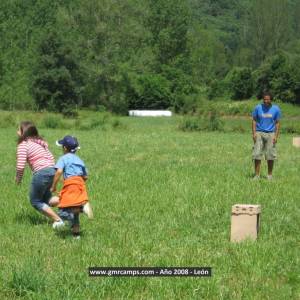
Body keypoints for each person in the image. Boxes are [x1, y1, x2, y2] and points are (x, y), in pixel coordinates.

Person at [16, 121, 65, 228]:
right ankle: (71, 201)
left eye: (19, 130)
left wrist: (18, 179)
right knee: (47, 199)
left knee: (35, 201)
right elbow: (51, 157)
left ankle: (58, 220)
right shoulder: (40, 143)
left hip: (41, 173)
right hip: (52, 170)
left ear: (23, 133)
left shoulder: (23, 144)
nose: (17, 132)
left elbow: (20, 166)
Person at [50, 135, 93, 239]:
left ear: (64, 148)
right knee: (74, 210)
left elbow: (59, 171)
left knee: (62, 210)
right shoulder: (79, 160)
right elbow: (86, 176)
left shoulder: (63, 158)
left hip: (70, 184)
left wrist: (53, 186)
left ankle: (82, 209)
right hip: (80, 185)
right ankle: (76, 236)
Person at [252, 92, 281, 180]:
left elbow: (277, 123)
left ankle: (269, 175)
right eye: (264, 99)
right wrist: (254, 133)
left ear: (271, 99)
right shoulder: (258, 107)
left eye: (268, 99)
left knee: (270, 155)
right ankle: (257, 175)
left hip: (271, 133)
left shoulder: (276, 109)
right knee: (257, 154)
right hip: (259, 132)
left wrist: (276, 136)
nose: (266, 101)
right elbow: (254, 120)